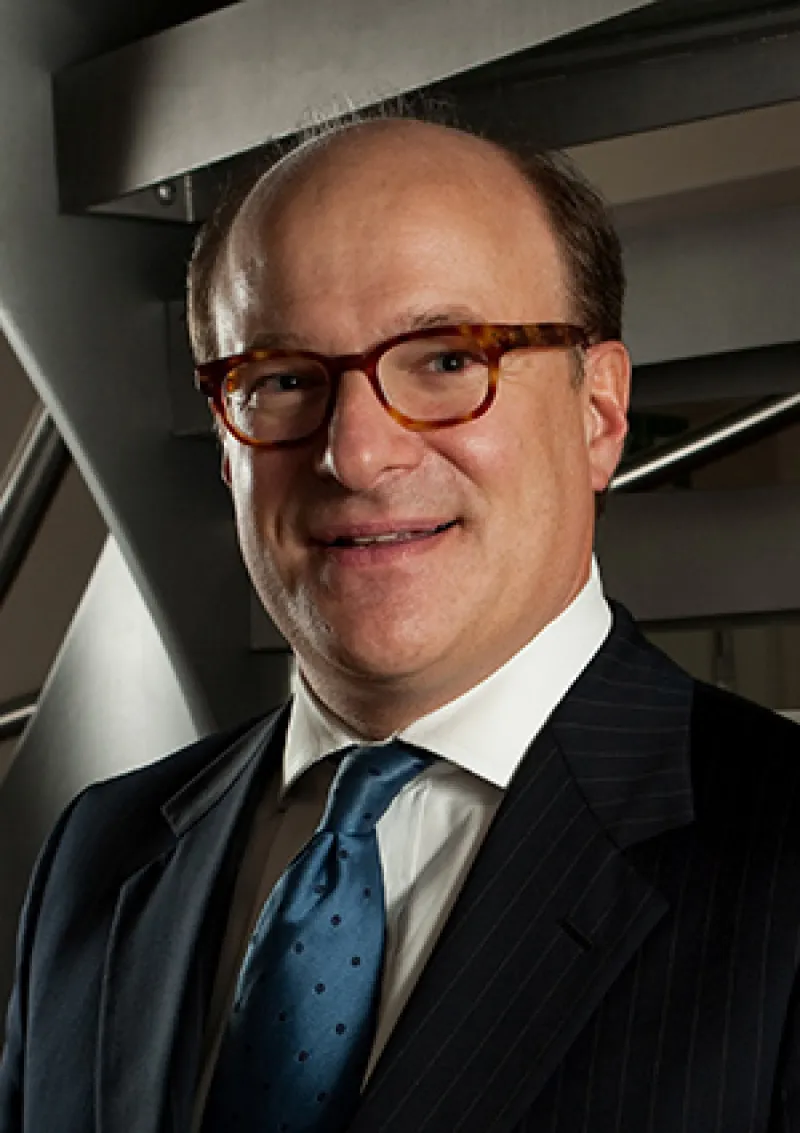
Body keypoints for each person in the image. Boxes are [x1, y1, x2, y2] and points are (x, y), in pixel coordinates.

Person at [2, 111, 800, 1133]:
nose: (357, 453)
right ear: (224, 442)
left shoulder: (780, 859)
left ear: (598, 414)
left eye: (445, 360)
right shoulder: (102, 855)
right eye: (282, 378)